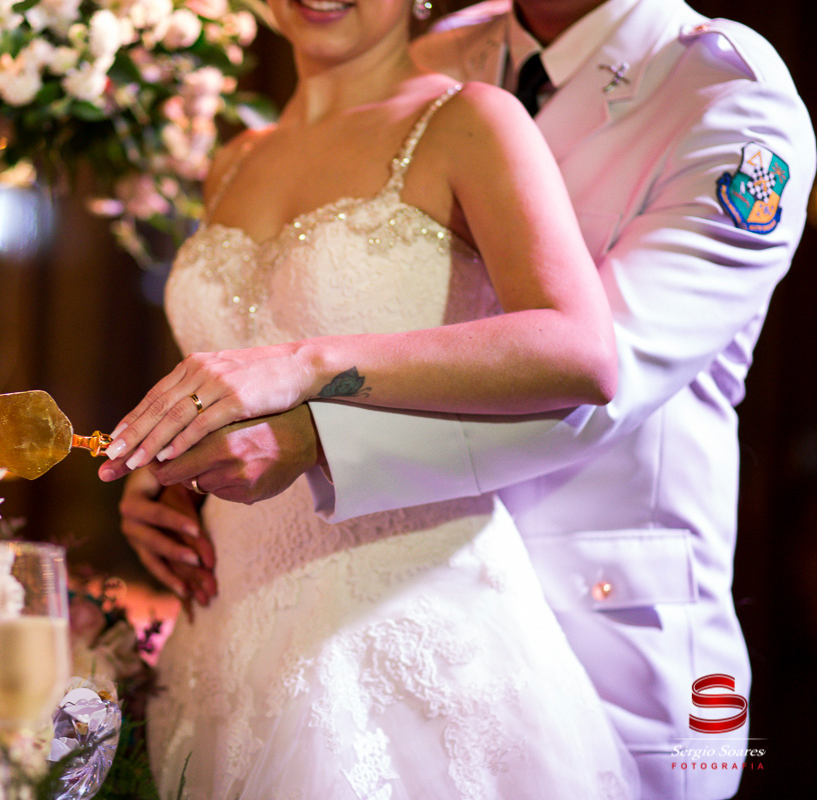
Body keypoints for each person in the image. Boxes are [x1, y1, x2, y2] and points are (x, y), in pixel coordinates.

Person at [101, 2, 816, 799]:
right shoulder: (443, 47)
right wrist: (179, 454)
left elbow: (598, 382)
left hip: (570, 613)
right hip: (253, 615)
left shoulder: (721, 95)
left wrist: (311, 431)